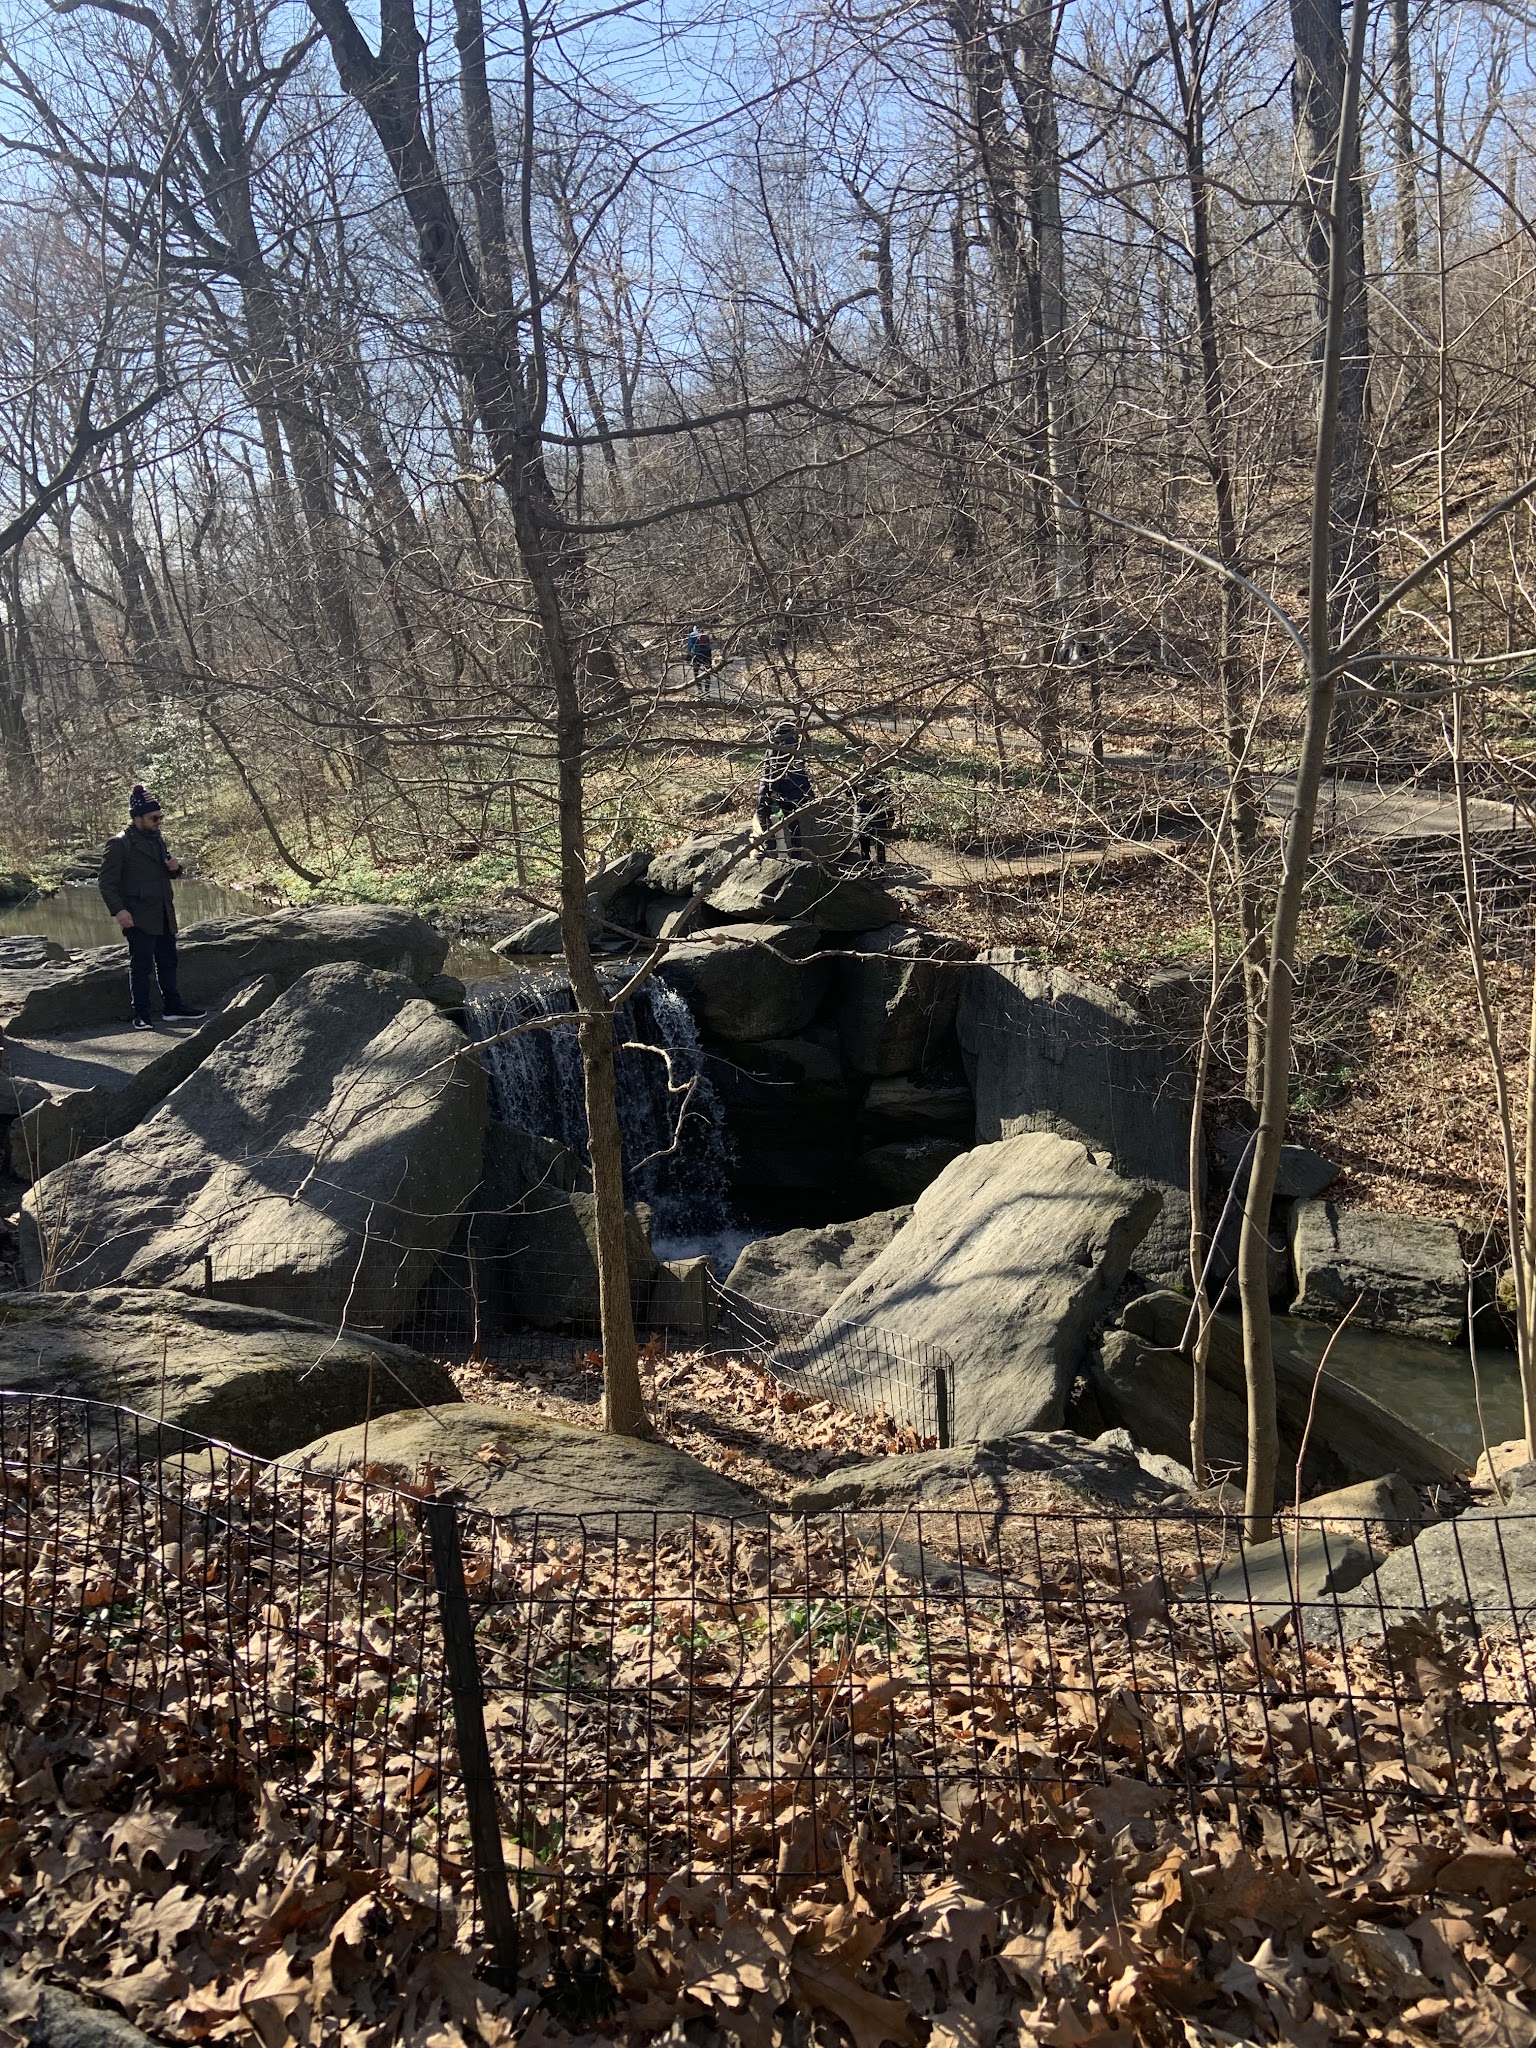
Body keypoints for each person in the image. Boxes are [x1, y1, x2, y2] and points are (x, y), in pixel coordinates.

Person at [99, 785, 206, 1030]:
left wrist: (175, 868)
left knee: (169, 962)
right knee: (141, 966)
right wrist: (119, 911)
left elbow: (166, 871)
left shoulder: (157, 839)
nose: (159, 822)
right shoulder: (119, 844)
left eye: (160, 817)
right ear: (137, 818)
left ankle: (173, 1008)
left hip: (164, 912)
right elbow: (106, 883)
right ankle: (142, 1014)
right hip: (137, 915)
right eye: (153, 818)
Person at [756, 721, 813, 852]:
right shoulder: (796, 745)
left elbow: (774, 769)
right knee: (791, 818)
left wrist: (772, 790)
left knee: (762, 810)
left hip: (780, 789)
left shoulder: (775, 744)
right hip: (797, 792)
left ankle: (769, 846)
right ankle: (796, 848)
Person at [851, 745, 896, 865]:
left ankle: (881, 873)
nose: (873, 759)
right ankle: (867, 872)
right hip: (862, 816)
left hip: (879, 817)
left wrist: (890, 817)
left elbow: (889, 798)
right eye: (870, 756)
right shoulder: (857, 775)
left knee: (880, 847)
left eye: (875, 756)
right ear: (865, 758)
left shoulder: (882, 777)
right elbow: (850, 794)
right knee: (864, 847)